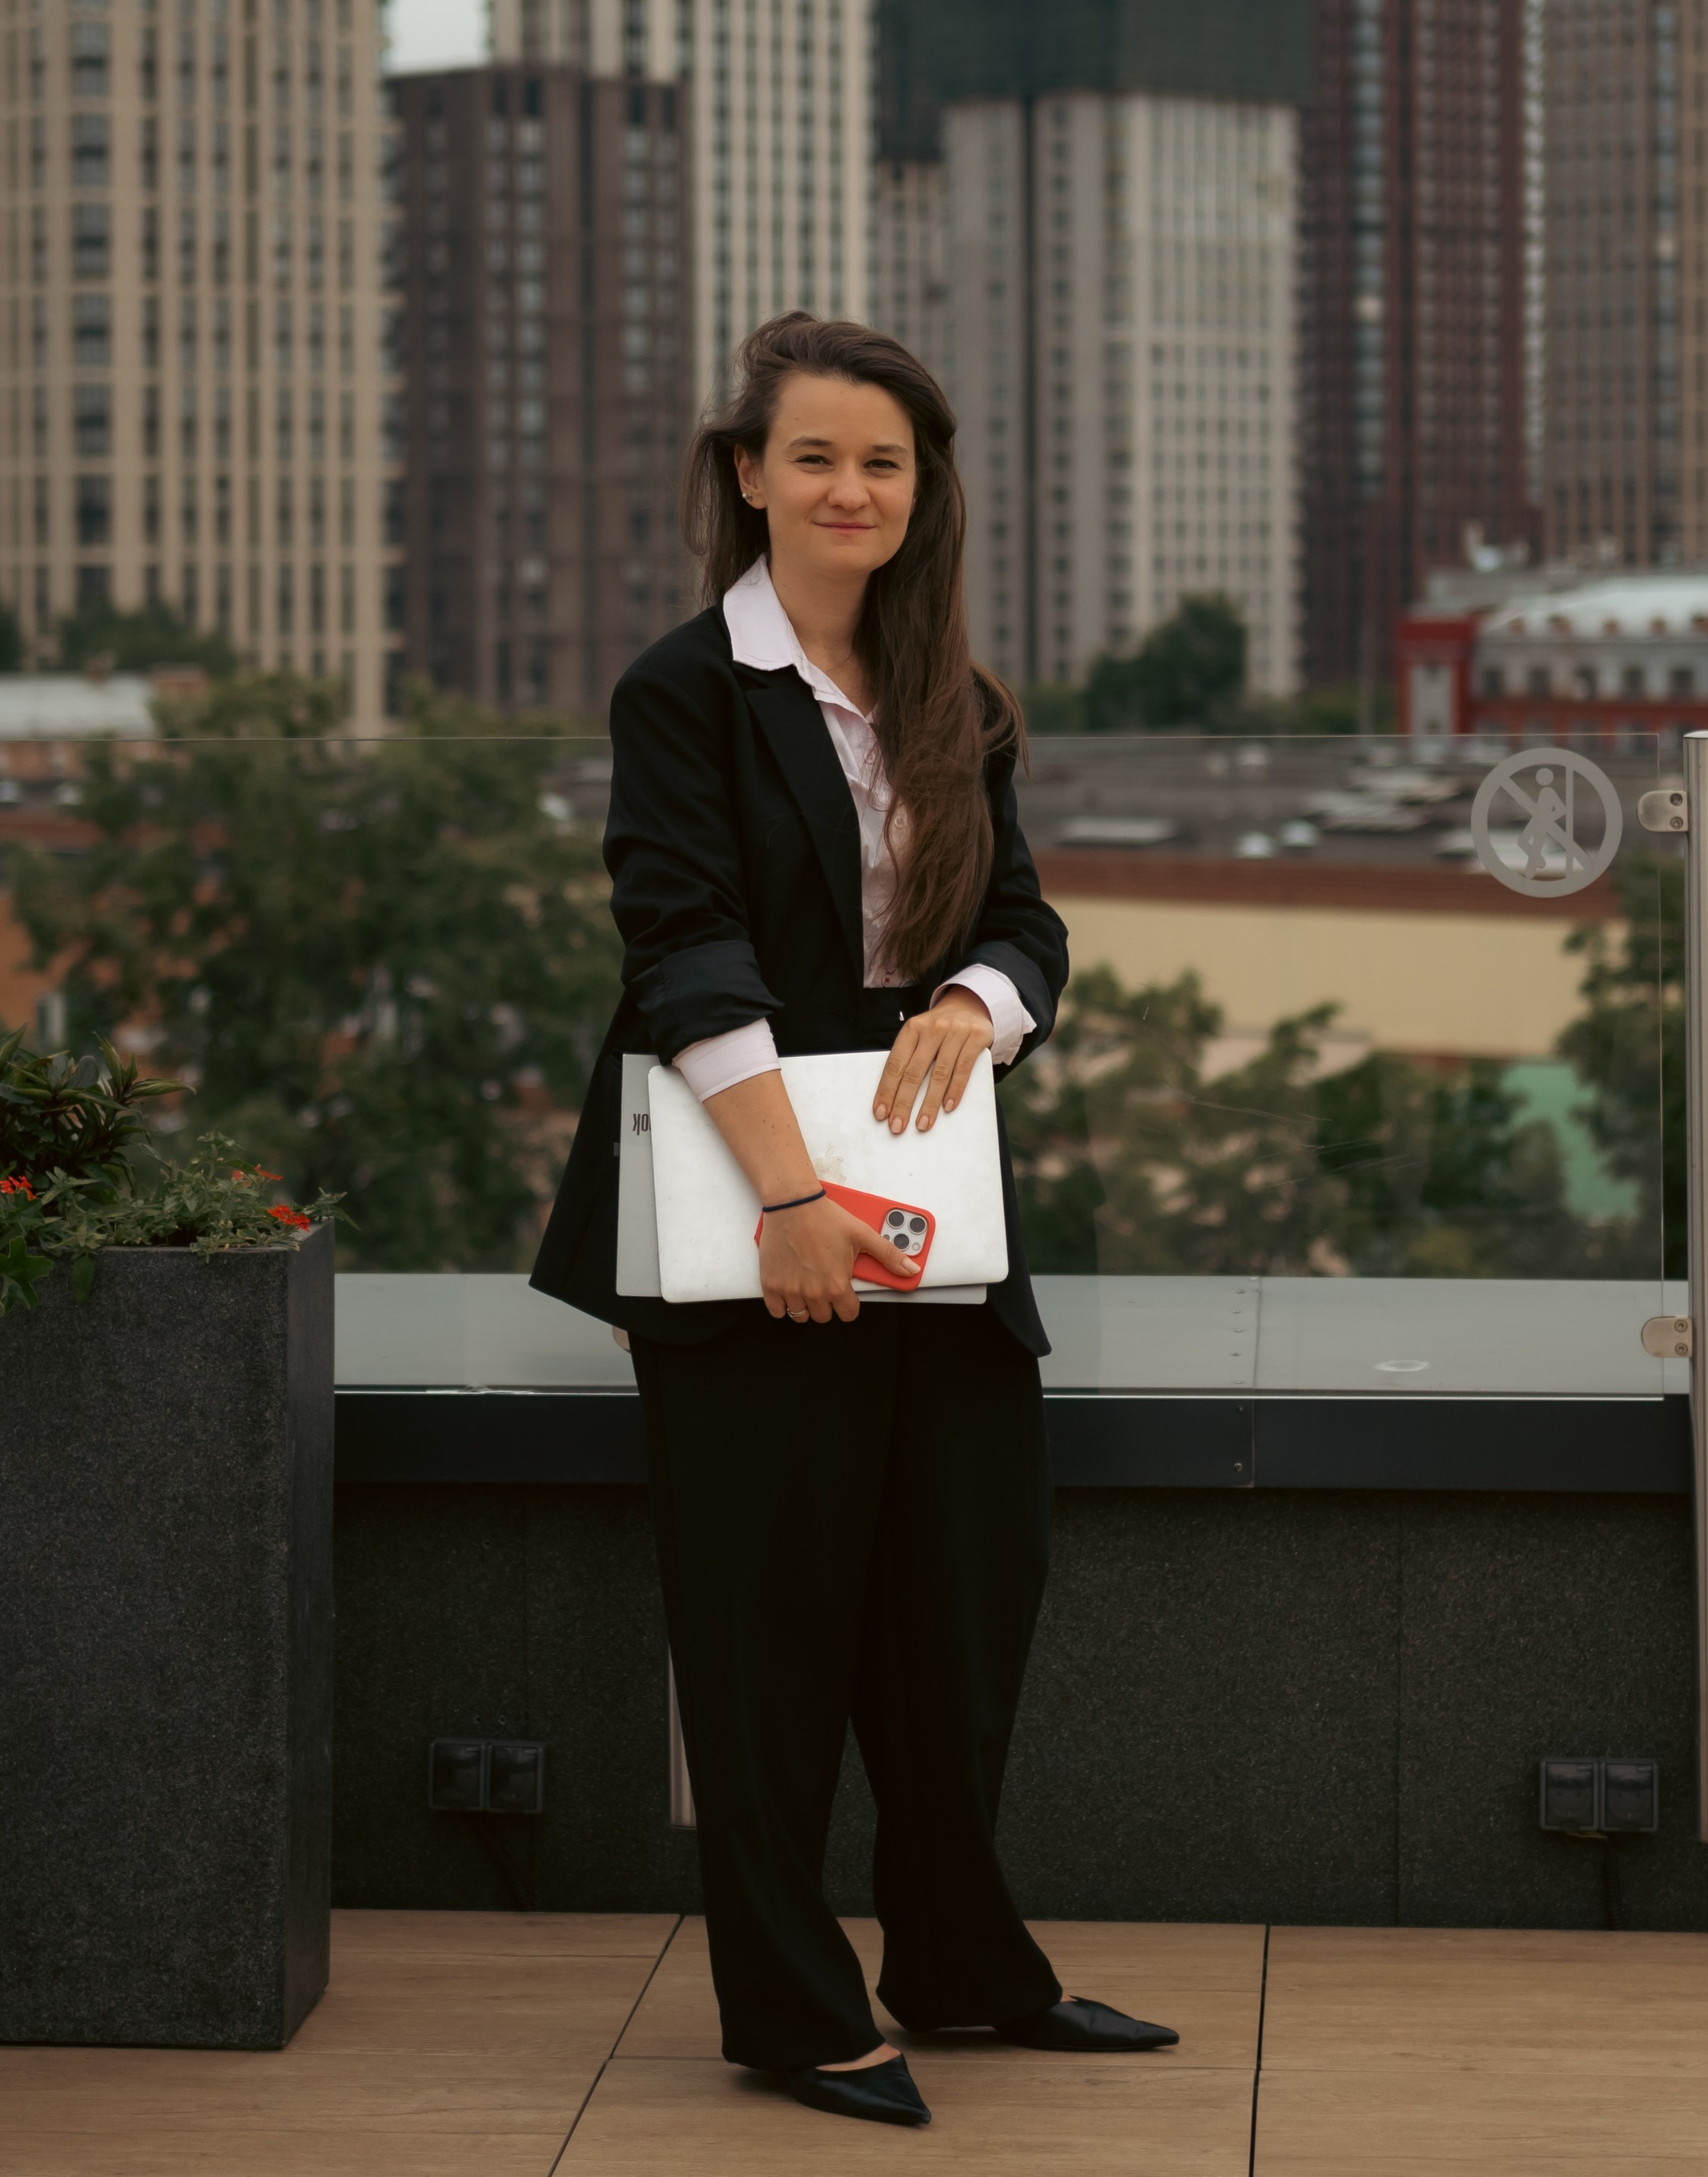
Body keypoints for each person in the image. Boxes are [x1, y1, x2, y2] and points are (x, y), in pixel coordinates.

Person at [533, 314, 1177, 2128]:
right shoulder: (683, 689)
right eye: (812, 456)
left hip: (931, 1209)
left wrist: (979, 1001)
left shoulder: (951, 698)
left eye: (881, 462)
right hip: (758, 1205)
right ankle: (791, 2009)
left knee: (964, 1598)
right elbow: (680, 945)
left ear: (922, 488)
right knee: (766, 1630)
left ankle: (963, 1965)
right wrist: (790, 1198)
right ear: (747, 474)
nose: (847, 489)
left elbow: (1029, 925)